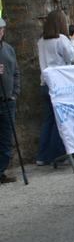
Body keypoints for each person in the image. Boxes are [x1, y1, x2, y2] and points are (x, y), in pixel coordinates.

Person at [37, 10, 74, 166]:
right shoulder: (61, 39)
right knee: (60, 121)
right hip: (59, 85)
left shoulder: (41, 41)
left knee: (48, 120)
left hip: (45, 84)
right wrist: (73, 40)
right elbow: (71, 57)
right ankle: (57, 155)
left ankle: (42, 155)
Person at [0, 17, 19, 184]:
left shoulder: (8, 50)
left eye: (0, 29)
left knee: (6, 138)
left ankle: (1, 170)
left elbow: (15, 73)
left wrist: (14, 92)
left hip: (7, 100)